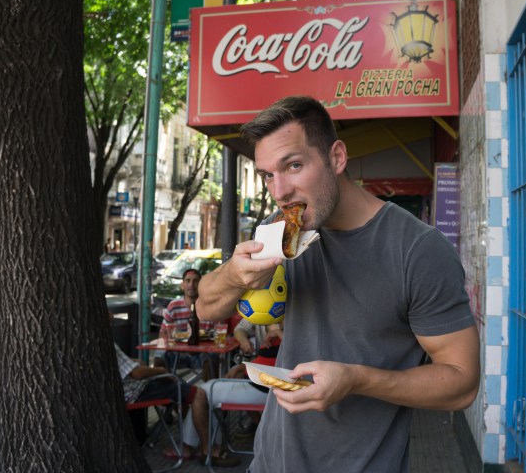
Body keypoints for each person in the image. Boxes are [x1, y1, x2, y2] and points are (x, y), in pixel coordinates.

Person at [197, 95, 480, 472]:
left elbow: (462, 383)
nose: (279, 192)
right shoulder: (274, 230)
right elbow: (206, 309)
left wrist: (356, 379)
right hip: (269, 462)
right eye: (268, 174)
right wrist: (234, 275)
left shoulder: (417, 249)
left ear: (337, 158)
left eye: (293, 165)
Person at [111, 314, 239, 467]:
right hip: (136, 392)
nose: (112, 316)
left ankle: (186, 443)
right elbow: (137, 374)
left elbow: (127, 366)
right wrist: (159, 370)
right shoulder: (107, 341)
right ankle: (208, 451)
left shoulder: (97, 340)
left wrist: (135, 362)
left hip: (128, 391)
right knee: (199, 394)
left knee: (182, 386)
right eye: (107, 313)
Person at [158, 268, 219, 380]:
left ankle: (208, 393)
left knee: (212, 357)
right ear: (182, 285)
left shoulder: (210, 306)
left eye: (196, 281)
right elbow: (163, 333)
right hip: (178, 353)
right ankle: (169, 392)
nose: (191, 285)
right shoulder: (173, 306)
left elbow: (218, 333)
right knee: (159, 357)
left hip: (203, 354)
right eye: (188, 281)